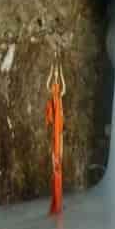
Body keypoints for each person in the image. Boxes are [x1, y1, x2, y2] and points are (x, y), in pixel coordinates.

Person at [45, 61, 66, 215]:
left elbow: (64, 87)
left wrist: (60, 72)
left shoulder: (59, 95)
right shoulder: (53, 92)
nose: (56, 78)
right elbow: (47, 84)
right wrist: (52, 70)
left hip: (58, 126)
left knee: (58, 153)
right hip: (55, 128)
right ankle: (56, 202)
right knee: (56, 148)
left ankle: (58, 202)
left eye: (57, 78)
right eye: (56, 78)